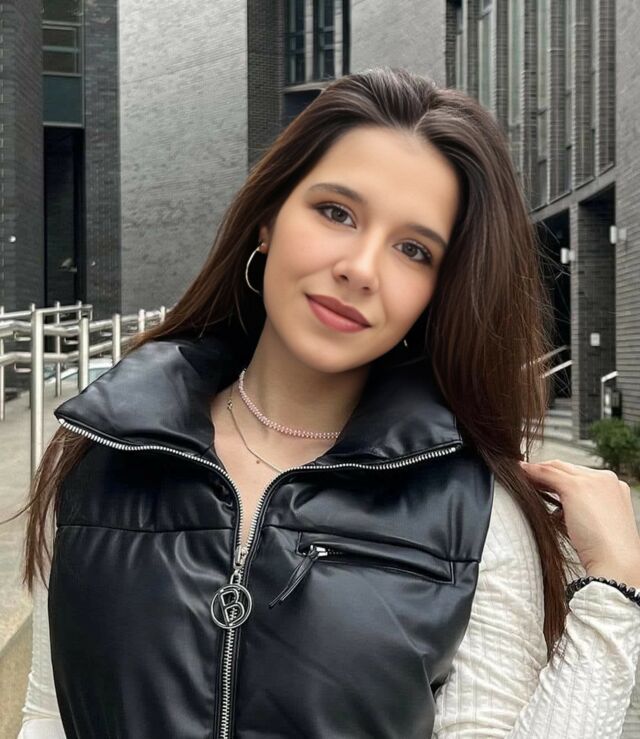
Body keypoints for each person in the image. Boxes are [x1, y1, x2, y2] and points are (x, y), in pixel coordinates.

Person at [5, 67, 640, 738]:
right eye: (336, 212)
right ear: (268, 221)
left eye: (413, 249)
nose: (360, 268)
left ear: (438, 291)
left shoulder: (473, 510)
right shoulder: (106, 445)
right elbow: (49, 716)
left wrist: (614, 596)